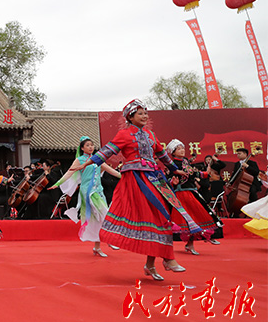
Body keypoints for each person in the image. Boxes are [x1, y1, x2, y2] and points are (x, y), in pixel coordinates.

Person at [72, 99, 201, 281]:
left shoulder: (150, 135)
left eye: (146, 113)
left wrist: (175, 169)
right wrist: (86, 164)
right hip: (135, 181)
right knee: (154, 217)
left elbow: (162, 155)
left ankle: (154, 263)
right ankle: (165, 259)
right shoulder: (124, 134)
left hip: (154, 179)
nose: (144, 116)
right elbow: (106, 152)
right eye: (140, 113)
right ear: (130, 117)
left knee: (161, 217)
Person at [51, 136, 122, 257]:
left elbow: (112, 171)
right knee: (105, 213)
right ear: (82, 148)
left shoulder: (98, 159)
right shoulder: (79, 160)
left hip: (98, 191)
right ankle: (110, 240)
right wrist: (57, 184)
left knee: (97, 219)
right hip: (88, 192)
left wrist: (126, 176)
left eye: (92, 145)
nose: (90, 147)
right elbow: (70, 172)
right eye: (88, 145)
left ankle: (97, 247)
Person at [165, 139, 223, 255]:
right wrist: (173, 182)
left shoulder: (186, 161)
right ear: (173, 152)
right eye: (179, 148)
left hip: (191, 193)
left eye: (182, 148)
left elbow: (193, 173)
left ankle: (192, 243)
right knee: (187, 220)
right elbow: (168, 179)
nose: (182, 150)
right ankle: (175, 246)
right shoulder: (172, 164)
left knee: (198, 217)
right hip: (181, 195)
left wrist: (205, 174)